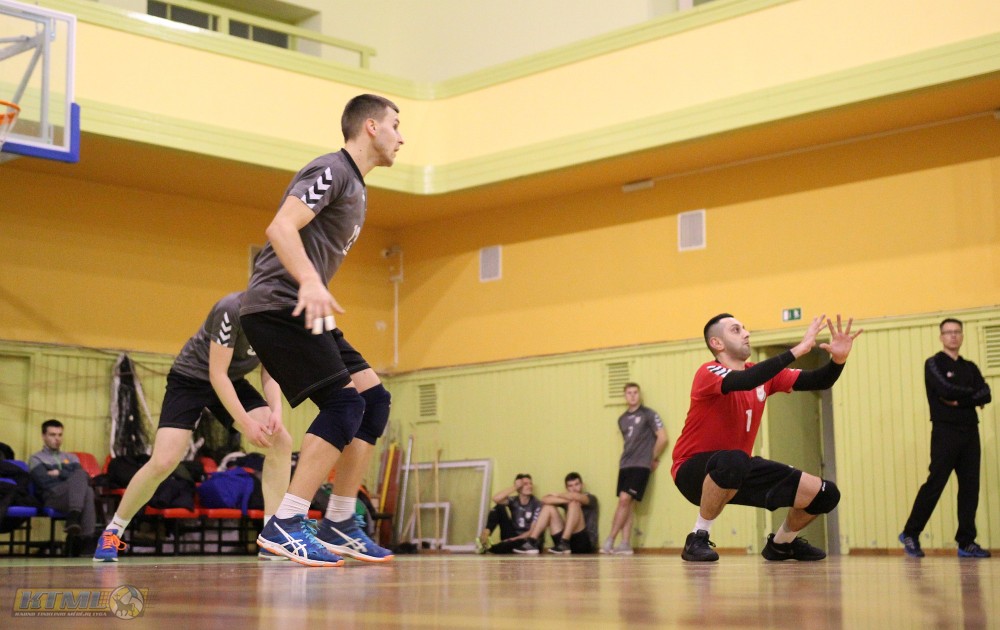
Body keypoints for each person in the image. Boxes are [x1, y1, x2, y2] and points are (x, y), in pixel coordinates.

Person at [240, 94, 404, 567]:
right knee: (343, 403)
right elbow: (281, 227)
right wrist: (311, 281)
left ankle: (339, 520)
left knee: (373, 400)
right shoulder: (332, 169)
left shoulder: (357, 184)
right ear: (370, 126)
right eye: (395, 125)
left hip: (303, 309)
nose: (401, 137)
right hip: (278, 306)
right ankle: (287, 522)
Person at [93, 292, 291, 562]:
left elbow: (270, 370)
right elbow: (216, 374)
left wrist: (276, 410)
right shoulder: (231, 308)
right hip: (191, 379)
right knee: (163, 462)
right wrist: (246, 424)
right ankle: (112, 531)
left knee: (281, 440)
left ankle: (272, 538)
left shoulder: (280, 317)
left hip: (232, 380)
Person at [672, 313, 861, 562]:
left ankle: (782, 544)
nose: (746, 333)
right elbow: (746, 381)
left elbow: (820, 380)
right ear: (717, 343)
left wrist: (838, 360)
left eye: (745, 328)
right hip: (691, 471)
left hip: (738, 468)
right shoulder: (708, 372)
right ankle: (698, 536)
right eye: (736, 330)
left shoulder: (763, 376)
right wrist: (797, 350)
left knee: (826, 493)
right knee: (734, 460)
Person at [899, 318, 992, 559]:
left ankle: (966, 542)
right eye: (948, 332)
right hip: (945, 432)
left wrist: (960, 401)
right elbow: (945, 390)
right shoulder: (933, 364)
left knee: (970, 487)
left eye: (957, 332)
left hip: (970, 431)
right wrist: (972, 397)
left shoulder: (970, 367)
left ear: (962, 336)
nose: (953, 336)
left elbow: (986, 393)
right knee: (936, 483)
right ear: (941, 337)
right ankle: (910, 533)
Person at [600, 383, 667, 555]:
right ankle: (625, 544)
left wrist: (652, 458)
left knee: (624, 500)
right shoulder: (621, 419)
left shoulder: (649, 414)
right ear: (625, 396)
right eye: (629, 393)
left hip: (641, 465)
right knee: (627, 504)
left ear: (640, 394)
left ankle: (610, 540)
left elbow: (663, 438)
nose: (632, 395)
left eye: (635, 392)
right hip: (625, 464)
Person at [29, 419, 97, 556]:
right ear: (44, 436)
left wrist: (59, 473)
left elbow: (84, 477)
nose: (57, 439)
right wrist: (68, 475)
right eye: (52, 435)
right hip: (52, 496)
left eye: (60, 435)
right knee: (84, 487)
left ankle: (74, 518)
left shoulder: (71, 457)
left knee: (86, 486)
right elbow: (44, 482)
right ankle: (86, 540)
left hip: (72, 497)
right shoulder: (36, 458)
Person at [513, 472, 599, 555]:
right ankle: (532, 541)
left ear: (582, 485)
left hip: (584, 543)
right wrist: (567, 499)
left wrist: (558, 495)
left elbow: (576, 497)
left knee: (574, 503)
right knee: (548, 507)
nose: (574, 488)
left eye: (577, 484)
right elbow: (544, 499)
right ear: (567, 488)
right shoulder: (567, 498)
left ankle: (564, 542)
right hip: (568, 543)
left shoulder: (591, 498)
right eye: (570, 486)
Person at [478, 473, 542, 554]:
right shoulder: (514, 500)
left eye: (530, 483)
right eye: (525, 484)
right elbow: (496, 499)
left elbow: (532, 531)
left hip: (526, 539)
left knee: (502, 547)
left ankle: (491, 547)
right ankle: (487, 532)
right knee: (499, 507)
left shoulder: (536, 504)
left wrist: (513, 539)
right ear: (519, 488)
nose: (529, 486)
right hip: (513, 535)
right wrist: (515, 487)